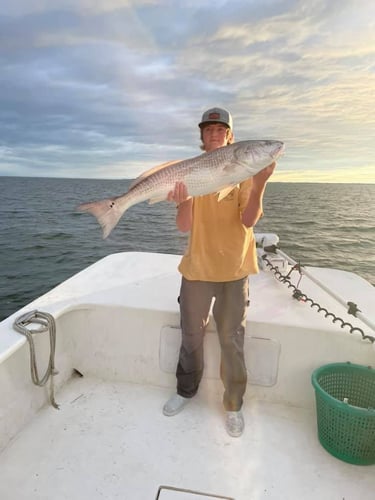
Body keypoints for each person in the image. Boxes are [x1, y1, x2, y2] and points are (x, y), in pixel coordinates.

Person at [163, 107, 276, 437]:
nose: (214, 133)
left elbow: (249, 220)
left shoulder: (243, 172)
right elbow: (184, 226)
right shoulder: (192, 171)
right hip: (197, 269)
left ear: (230, 136)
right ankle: (185, 391)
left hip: (234, 270)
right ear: (202, 136)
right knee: (191, 337)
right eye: (208, 129)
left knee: (232, 341)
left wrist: (260, 182)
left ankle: (234, 404)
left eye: (220, 129)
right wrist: (183, 199)